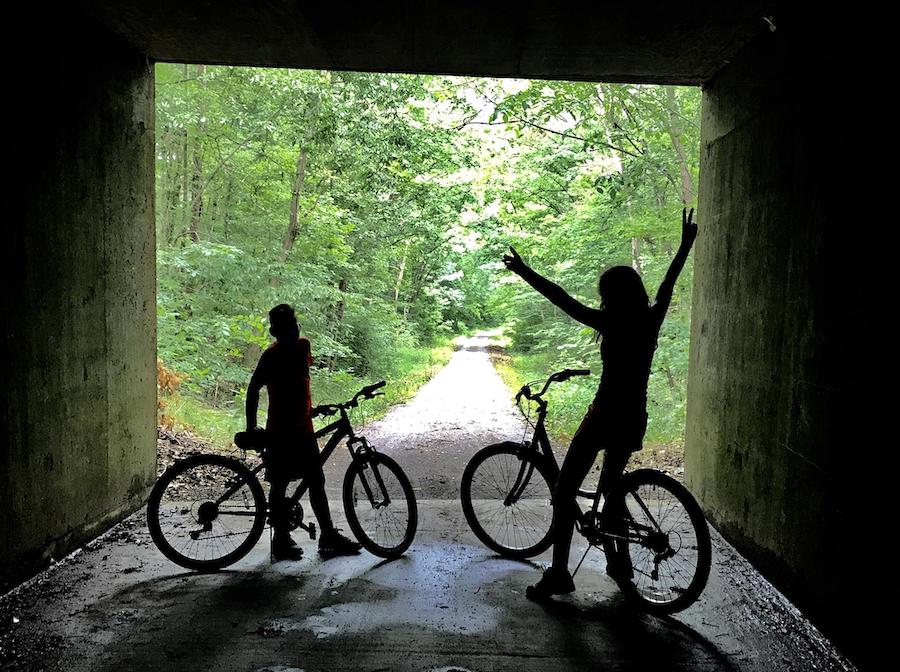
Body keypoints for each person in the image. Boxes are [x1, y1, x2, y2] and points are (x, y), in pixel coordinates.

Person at [502, 209, 698, 599]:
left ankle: (560, 574)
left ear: (610, 296)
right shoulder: (650, 319)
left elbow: (562, 299)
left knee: (564, 492)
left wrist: (524, 271)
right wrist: (685, 245)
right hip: (633, 417)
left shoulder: (610, 322)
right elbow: (668, 282)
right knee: (612, 490)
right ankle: (620, 564)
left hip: (604, 416)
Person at [246, 303, 361, 560]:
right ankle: (281, 539)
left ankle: (327, 535)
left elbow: (299, 383)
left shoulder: (302, 347)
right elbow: (253, 389)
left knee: (316, 480)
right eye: (287, 327)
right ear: (276, 332)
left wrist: (312, 409)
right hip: (280, 431)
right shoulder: (271, 356)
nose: (293, 330)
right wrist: (250, 426)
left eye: (294, 325)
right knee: (281, 484)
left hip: (302, 429)